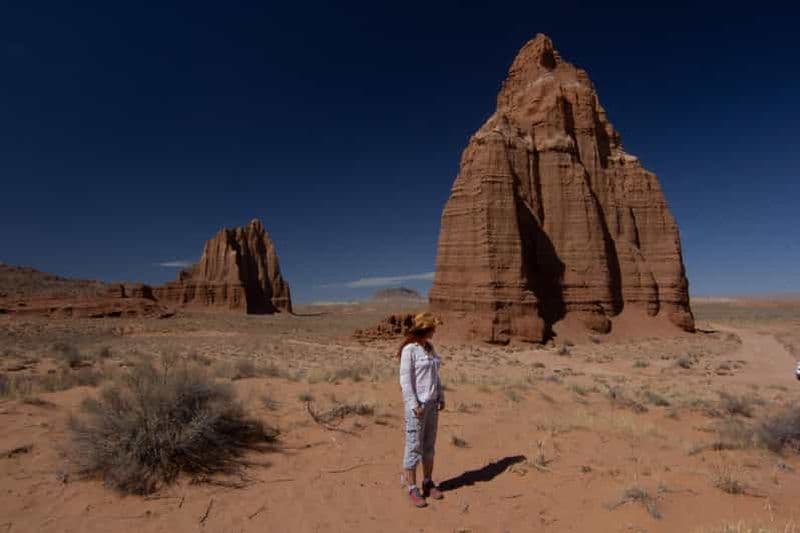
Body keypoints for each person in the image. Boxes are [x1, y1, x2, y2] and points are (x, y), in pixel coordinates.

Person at [398, 312, 445, 508]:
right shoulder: (410, 350)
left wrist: (441, 395)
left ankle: (427, 482)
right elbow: (405, 381)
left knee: (429, 447)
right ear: (425, 329)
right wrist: (414, 404)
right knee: (413, 447)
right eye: (433, 327)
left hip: (432, 405)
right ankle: (411, 487)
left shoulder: (430, 348)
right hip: (417, 408)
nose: (435, 330)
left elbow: (435, 375)